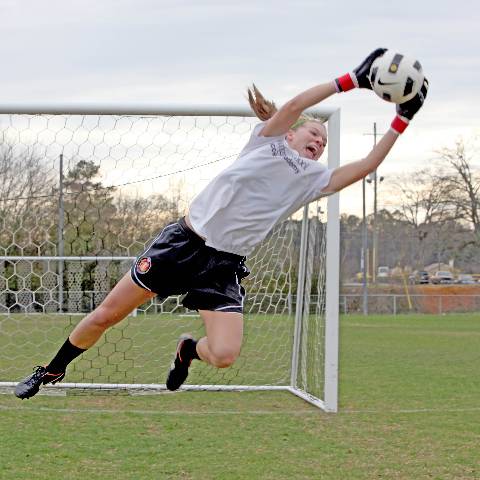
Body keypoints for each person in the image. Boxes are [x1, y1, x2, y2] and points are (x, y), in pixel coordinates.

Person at [15, 48, 428, 399]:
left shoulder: (315, 181)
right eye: (313, 133)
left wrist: (402, 118)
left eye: (323, 141)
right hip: (182, 244)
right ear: (290, 135)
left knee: (226, 355)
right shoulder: (266, 141)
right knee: (106, 315)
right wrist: (352, 79)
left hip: (221, 266)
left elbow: (370, 164)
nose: (319, 141)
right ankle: (51, 369)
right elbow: (293, 108)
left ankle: (187, 351)